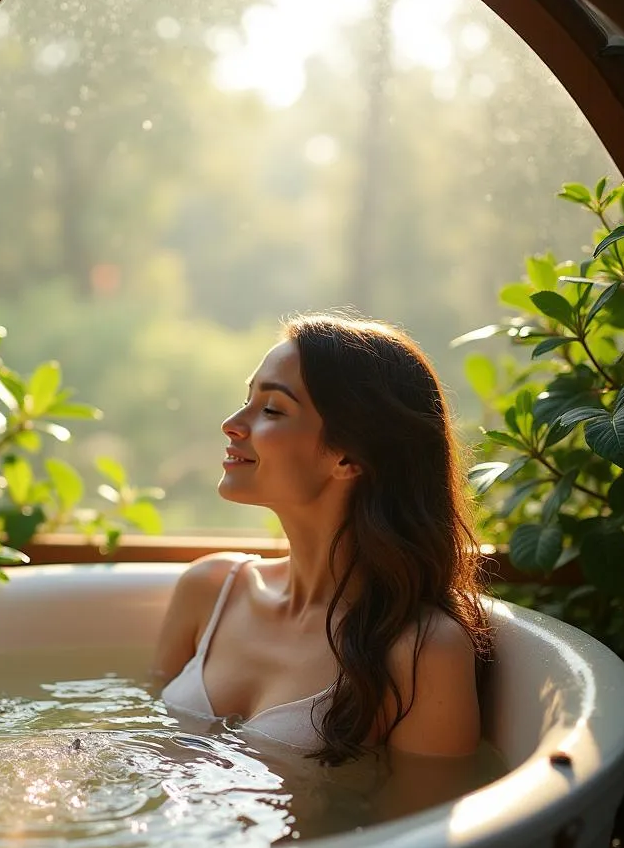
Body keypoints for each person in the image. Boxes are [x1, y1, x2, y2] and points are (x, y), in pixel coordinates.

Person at [154, 313, 492, 767]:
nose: (232, 424)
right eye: (247, 399)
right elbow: (145, 741)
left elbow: (422, 824)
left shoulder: (421, 651)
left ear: (348, 456)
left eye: (272, 409)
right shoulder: (208, 590)